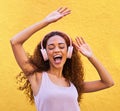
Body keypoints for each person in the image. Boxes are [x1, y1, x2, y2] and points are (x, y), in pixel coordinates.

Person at [10, 7, 114, 111]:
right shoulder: (37, 77)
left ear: (68, 52)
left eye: (61, 46)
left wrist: (91, 56)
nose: (56, 50)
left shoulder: (73, 83)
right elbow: (15, 42)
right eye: (51, 47)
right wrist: (46, 21)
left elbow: (108, 82)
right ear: (45, 53)